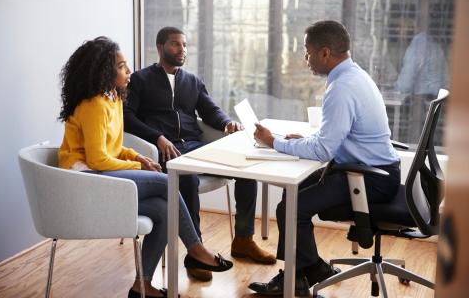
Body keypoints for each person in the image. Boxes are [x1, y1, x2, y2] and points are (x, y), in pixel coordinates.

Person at [57, 37, 232, 298]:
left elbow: (113, 148)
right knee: (167, 181)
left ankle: (142, 285)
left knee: (164, 210)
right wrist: (136, 165)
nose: (128, 71)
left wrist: (139, 158)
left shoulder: (113, 99)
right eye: (121, 66)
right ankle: (195, 249)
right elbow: (96, 159)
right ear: (104, 71)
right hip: (85, 180)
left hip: (103, 176)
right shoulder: (93, 104)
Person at [249, 21, 401, 296]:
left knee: (291, 209)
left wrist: (274, 142)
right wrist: (302, 141)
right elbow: (334, 135)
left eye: (307, 53)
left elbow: (323, 151)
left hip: (370, 178)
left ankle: (294, 280)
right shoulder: (354, 76)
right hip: (375, 170)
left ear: (325, 53)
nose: (305, 59)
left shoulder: (341, 88)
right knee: (293, 198)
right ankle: (313, 268)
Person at [123, 27, 276, 281]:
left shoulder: (191, 80)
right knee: (188, 178)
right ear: (160, 48)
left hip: (194, 146)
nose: (182, 49)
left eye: (184, 45)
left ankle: (243, 239)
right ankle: (197, 252)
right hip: (165, 151)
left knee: (246, 169)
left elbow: (210, 110)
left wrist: (228, 123)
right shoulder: (141, 79)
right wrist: (156, 137)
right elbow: (127, 117)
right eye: (175, 44)